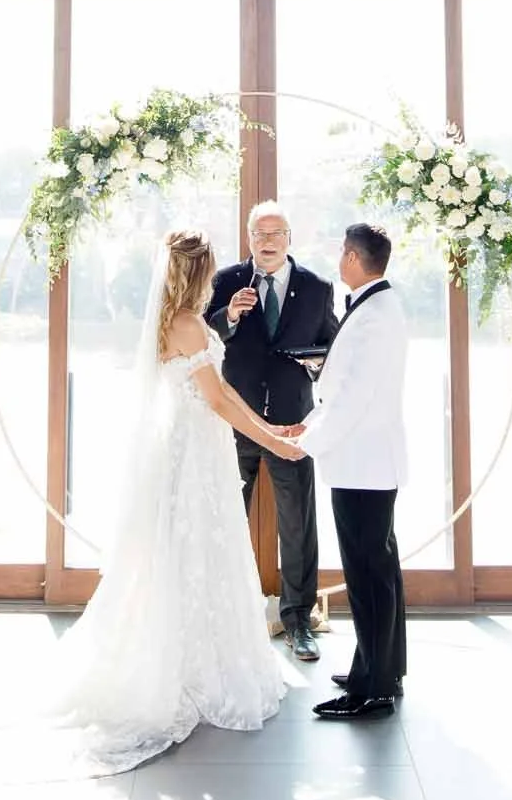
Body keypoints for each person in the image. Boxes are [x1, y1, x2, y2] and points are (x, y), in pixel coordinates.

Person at [49, 232, 300, 768]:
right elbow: (216, 399)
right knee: (193, 553)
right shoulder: (186, 325)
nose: (215, 277)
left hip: (196, 448)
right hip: (192, 455)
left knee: (198, 554)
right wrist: (273, 439)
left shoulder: (183, 320)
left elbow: (225, 393)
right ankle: (188, 668)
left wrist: (272, 428)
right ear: (198, 271)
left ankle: (200, 655)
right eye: (209, 269)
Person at [203, 201, 337, 661]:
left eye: (275, 233)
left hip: (291, 423)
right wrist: (231, 317)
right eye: (259, 234)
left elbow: (332, 351)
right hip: (235, 422)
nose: (267, 241)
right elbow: (200, 338)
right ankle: (223, 618)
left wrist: (316, 363)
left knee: (297, 523)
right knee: (224, 517)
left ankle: (299, 620)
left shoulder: (317, 287)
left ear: (289, 238)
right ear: (248, 238)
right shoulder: (224, 282)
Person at [297, 224, 409, 720]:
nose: (338, 260)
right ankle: (382, 666)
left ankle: (373, 688)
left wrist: (308, 443)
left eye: (341, 253)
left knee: (368, 575)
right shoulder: (379, 305)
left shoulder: (372, 317)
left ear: (351, 258)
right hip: (368, 459)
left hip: (361, 462)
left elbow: (355, 398)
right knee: (381, 569)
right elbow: (349, 387)